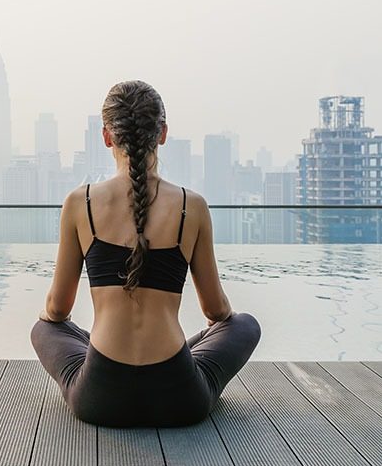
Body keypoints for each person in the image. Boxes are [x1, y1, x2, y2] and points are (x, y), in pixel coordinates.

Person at [30, 80, 261, 428]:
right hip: (179, 398)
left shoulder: (82, 203)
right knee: (245, 325)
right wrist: (217, 327)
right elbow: (216, 310)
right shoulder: (191, 206)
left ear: (107, 136)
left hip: (100, 398)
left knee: (43, 329)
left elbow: (57, 310)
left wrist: (56, 318)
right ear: (163, 133)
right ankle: (181, 353)